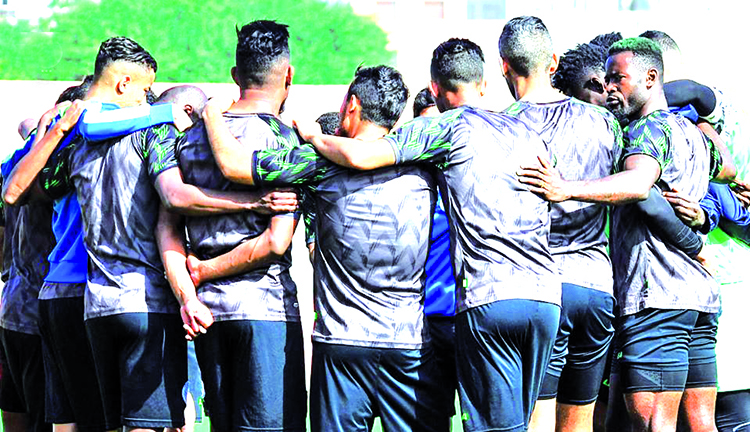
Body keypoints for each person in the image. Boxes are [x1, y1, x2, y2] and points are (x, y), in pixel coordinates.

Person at [266, 36, 560, 431]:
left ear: (435, 90)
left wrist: (314, 137)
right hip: (544, 297)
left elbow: (361, 155)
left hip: (480, 301)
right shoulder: (523, 131)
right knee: (520, 421)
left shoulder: (441, 131)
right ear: (485, 82)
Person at [32, 36, 295, 432]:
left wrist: (51, 131)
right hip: (148, 301)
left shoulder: (79, 145)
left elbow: (23, 190)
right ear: (124, 83)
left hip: (96, 303)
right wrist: (251, 203)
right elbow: (174, 199)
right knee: (152, 425)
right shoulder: (155, 137)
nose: (147, 100)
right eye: (145, 91)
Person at [197, 61, 447, 431]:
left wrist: (211, 114)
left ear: (352, 104)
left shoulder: (316, 164)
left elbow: (233, 165)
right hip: (408, 343)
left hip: (341, 343)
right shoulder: (425, 164)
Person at [517, 37, 733, 432]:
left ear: (651, 78)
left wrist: (565, 188)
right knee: (702, 423)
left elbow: (638, 186)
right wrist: (701, 221)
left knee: (654, 425)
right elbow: (729, 168)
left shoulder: (646, 130)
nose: (610, 87)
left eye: (618, 79)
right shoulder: (693, 133)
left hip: (657, 297)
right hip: (699, 299)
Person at [159, 20, 307, 432]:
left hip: (207, 314)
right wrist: (206, 271)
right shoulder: (284, 140)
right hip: (265, 310)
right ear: (289, 75)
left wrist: (192, 288)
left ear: (235, 75)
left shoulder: (188, 140)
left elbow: (167, 227)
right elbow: (276, 242)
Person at [498, 16, 620, 432]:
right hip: (596, 288)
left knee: (538, 419)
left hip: (541, 289)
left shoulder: (500, 127)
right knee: (581, 421)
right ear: (552, 61)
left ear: (504, 66)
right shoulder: (603, 122)